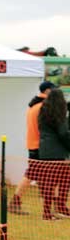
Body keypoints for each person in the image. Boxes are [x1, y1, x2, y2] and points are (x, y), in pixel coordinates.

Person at [10, 81, 54, 215]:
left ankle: (15, 202)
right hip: (41, 145)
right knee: (34, 175)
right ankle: (14, 203)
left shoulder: (33, 106)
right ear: (47, 91)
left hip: (33, 144)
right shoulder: (43, 107)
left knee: (35, 175)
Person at [36, 88, 70, 221]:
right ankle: (58, 209)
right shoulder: (59, 114)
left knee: (48, 183)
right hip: (58, 152)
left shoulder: (43, 111)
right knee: (63, 182)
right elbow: (63, 133)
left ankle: (48, 211)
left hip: (44, 151)